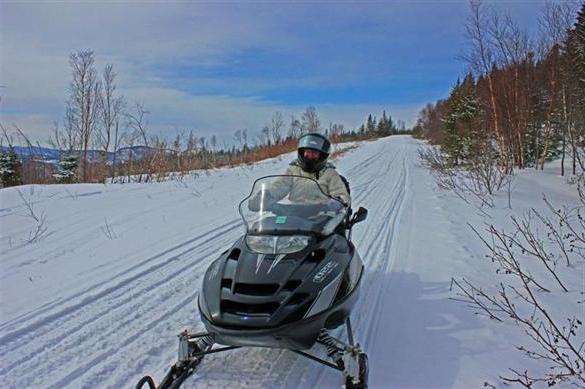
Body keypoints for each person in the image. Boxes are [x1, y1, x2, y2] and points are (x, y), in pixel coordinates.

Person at [274, 132, 351, 207]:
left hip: (321, 216)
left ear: (322, 155)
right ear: (302, 152)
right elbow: (279, 186)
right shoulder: (293, 170)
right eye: (307, 152)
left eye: (315, 153)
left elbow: (341, 194)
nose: (310, 155)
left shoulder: (330, 173)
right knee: (270, 220)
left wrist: (336, 203)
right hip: (294, 213)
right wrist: (267, 195)